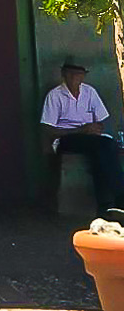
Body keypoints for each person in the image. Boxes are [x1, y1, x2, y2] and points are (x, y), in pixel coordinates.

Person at [41, 58, 124, 216]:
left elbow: (101, 121)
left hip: (91, 139)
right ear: (64, 75)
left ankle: (105, 205)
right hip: (66, 138)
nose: (74, 78)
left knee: (105, 148)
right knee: (102, 146)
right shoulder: (55, 95)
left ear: (83, 76)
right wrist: (81, 130)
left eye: (78, 74)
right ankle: (120, 195)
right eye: (71, 74)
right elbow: (49, 129)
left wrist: (94, 129)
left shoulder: (89, 92)